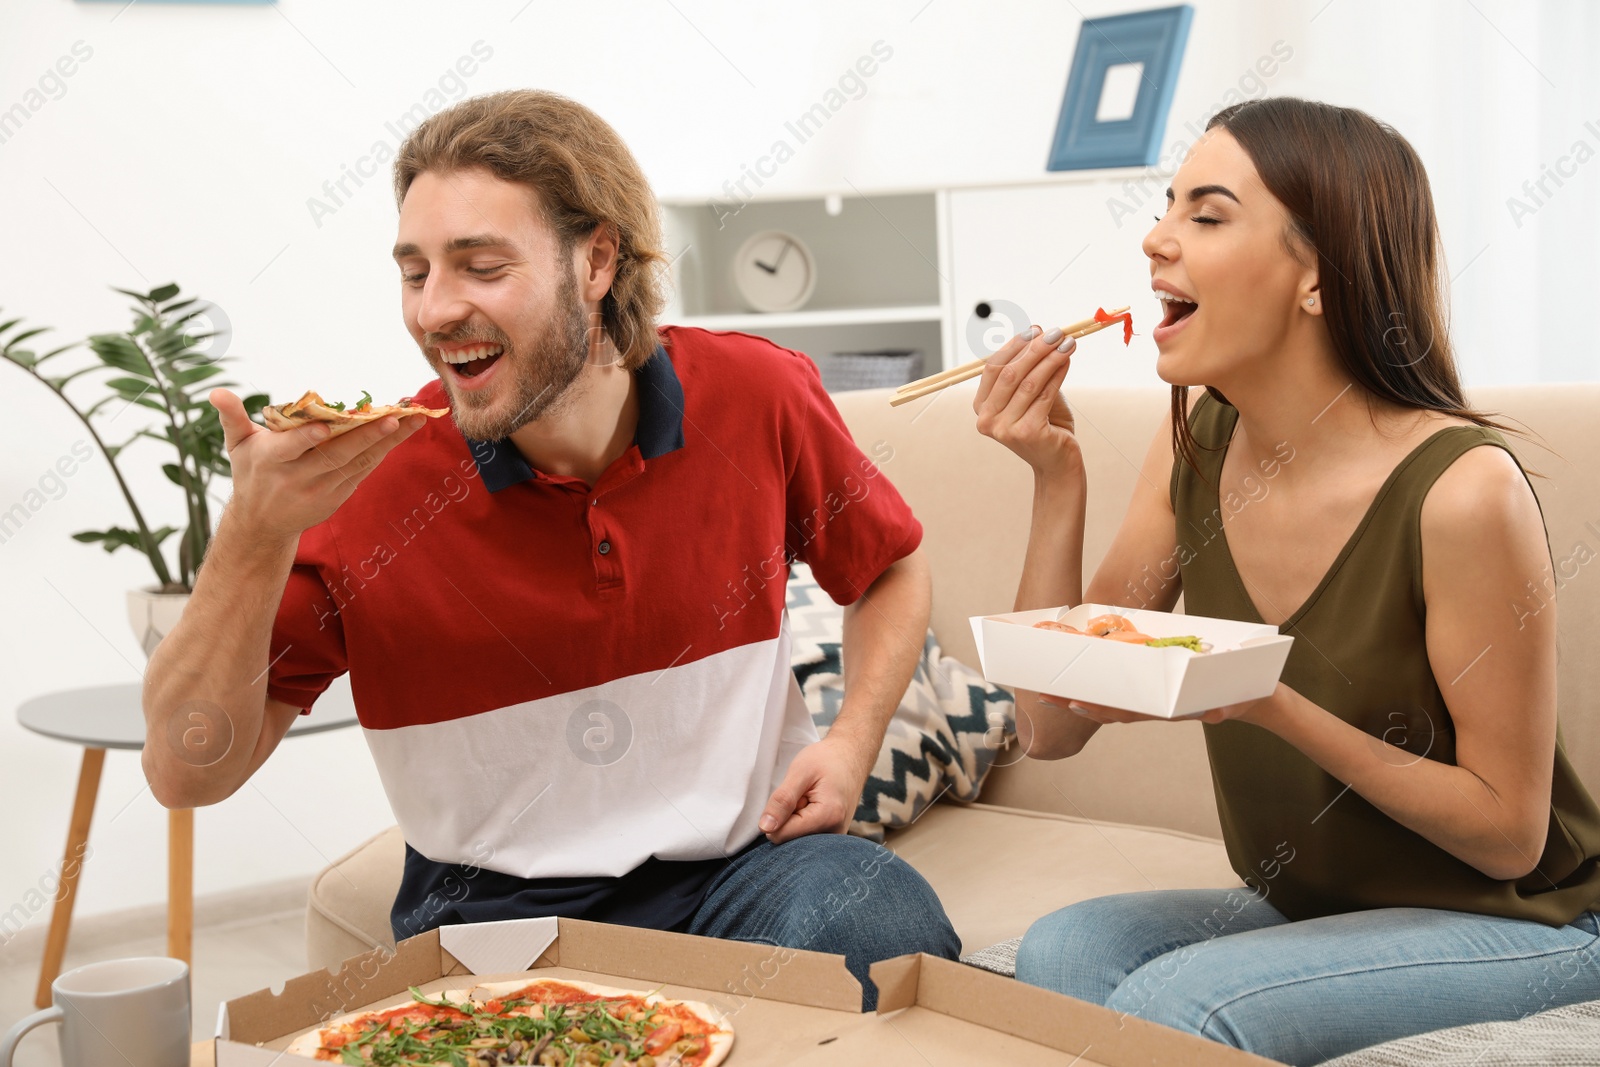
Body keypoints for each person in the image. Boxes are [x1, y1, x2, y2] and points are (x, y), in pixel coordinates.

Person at [141, 89, 959, 1009]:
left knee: (878, 918)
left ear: (597, 259)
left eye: (480, 266)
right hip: (499, 927)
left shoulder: (756, 394)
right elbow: (185, 770)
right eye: (414, 274)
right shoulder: (368, 483)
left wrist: (852, 740)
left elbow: (889, 565)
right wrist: (252, 536)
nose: (435, 309)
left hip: (746, 877)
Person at [975, 97, 1600, 1064]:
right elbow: (1053, 723)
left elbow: (1511, 837)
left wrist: (1270, 702)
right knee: (1065, 953)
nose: (1154, 239)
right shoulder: (1192, 441)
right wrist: (1057, 479)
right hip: (1309, 903)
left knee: (1183, 1005)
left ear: (1316, 275)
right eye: (1165, 207)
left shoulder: (1461, 490)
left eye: (1206, 214)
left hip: (1532, 921)